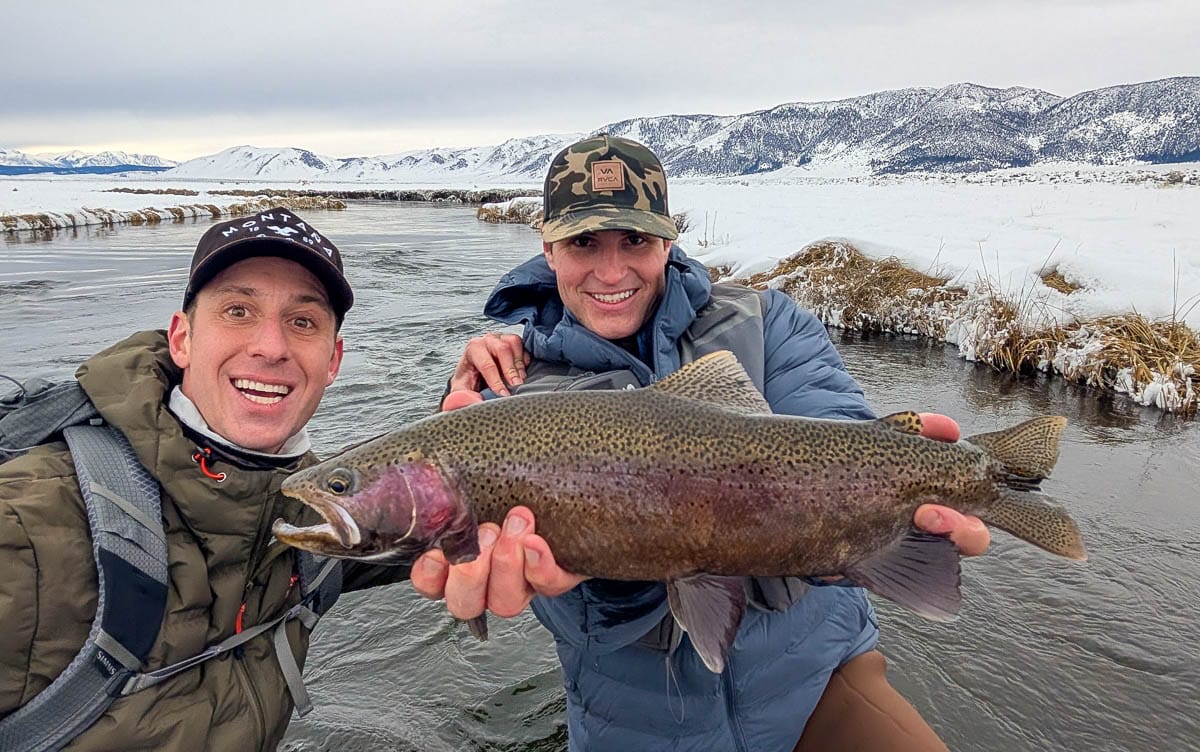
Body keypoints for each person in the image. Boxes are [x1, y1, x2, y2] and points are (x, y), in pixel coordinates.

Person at [413, 136, 990, 751]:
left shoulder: (768, 322)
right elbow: (567, 611)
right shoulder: (510, 389)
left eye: (635, 240)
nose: (612, 271)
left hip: (819, 681)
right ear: (547, 247)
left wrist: (899, 504)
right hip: (636, 728)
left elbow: (834, 437)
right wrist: (622, 558)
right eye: (584, 242)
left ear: (667, 240)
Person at [0, 208, 407, 750]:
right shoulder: (28, 522)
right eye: (238, 311)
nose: (271, 346)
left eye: (302, 321)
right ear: (182, 338)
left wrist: (506, 369)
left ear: (332, 361)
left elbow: (450, 514)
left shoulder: (308, 512)